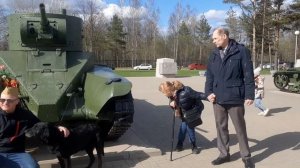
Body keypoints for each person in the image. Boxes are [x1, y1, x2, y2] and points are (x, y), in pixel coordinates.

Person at [205, 27, 255, 168]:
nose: (213, 41)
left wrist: (249, 94)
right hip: (217, 98)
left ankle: (246, 157)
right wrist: (208, 92)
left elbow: (248, 74)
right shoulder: (214, 54)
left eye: (215, 38)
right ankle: (224, 154)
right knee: (221, 128)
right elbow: (209, 75)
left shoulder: (241, 51)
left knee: (240, 128)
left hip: (235, 97)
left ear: (225, 36)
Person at [0, 87, 70, 168]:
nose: (5, 102)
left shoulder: (24, 115)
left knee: (32, 166)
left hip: (18, 153)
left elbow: (40, 125)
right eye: (2, 100)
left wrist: (57, 127)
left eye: (9, 100)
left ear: (17, 101)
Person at [159, 80, 206, 154]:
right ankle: (180, 145)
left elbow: (198, 95)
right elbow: (174, 103)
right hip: (184, 113)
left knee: (189, 128)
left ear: (169, 90)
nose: (164, 95)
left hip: (192, 111)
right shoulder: (171, 94)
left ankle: (193, 146)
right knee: (183, 128)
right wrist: (172, 105)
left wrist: (209, 96)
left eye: (164, 92)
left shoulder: (185, 91)